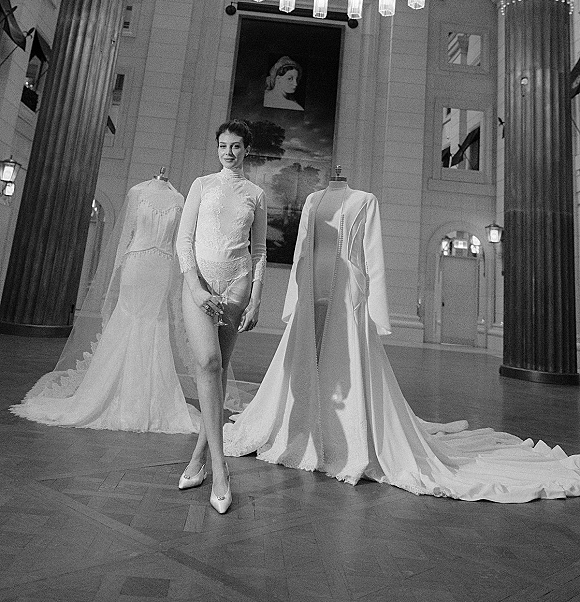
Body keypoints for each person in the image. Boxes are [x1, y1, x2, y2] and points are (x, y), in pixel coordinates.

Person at [223, 176, 580, 502]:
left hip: (347, 293)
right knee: (305, 359)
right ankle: (301, 427)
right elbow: (303, 248)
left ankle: (342, 437)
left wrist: (376, 310)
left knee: (345, 365)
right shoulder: (313, 200)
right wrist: (293, 299)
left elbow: (372, 255)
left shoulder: (365, 200)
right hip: (310, 290)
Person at [10, 174, 200, 433]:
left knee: (155, 325)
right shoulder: (136, 192)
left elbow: (180, 242)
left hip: (162, 269)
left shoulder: (179, 199)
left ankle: (149, 398)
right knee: (127, 321)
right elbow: (125, 236)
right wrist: (115, 276)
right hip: (135, 266)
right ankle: (108, 393)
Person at [176, 119, 267, 513]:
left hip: (237, 285)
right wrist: (195, 287)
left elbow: (260, 250)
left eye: (235, 146)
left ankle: (198, 457)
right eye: (222, 146)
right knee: (208, 363)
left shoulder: (256, 194)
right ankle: (219, 466)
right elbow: (184, 239)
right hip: (199, 283)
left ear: (247, 149)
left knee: (219, 369)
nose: (228, 152)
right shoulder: (201, 185)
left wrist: (256, 299)